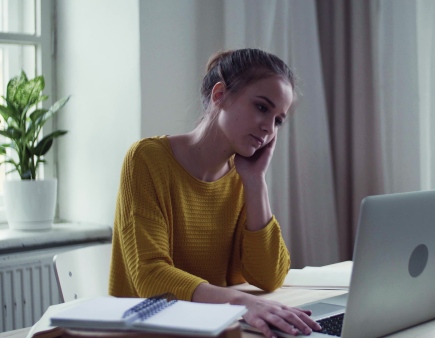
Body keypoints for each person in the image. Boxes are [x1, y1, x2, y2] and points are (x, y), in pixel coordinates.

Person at [109, 48, 321, 338]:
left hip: (214, 330)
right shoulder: (146, 160)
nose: (269, 129)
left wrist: (256, 182)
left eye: (278, 120)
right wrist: (240, 302)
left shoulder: (243, 175)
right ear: (219, 95)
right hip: (146, 331)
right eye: (262, 108)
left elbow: (269, 277)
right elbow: (150, 276)